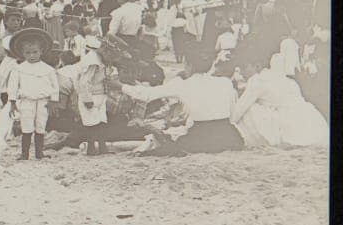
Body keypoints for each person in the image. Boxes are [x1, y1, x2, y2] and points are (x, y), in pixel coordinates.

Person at [109, 46, 243, 155]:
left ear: (189, 65)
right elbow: (231, 113)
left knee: (163, 143)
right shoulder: (225, 82)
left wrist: (119, 86)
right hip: (227, 135)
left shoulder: (183, 84)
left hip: (202, 135)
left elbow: (147, 94)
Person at [230, 52, 327, 148]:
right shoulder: (288, 80)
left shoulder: (257, 81)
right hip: (308, 117)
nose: (242, 73)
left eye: (244, 68)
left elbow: (240, 108)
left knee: (250, 108)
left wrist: (230, 123)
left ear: (257, 66)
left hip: (286, 122)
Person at [6, 27, 59, 161]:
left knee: (41, 125)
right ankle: (25, 154)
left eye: (35, 52)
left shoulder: (48, 69)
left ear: (41, 51)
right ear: (23, 53)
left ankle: (39, 153)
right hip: (26, 101)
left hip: (43, 101)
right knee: (26, 125)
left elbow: (54, 86)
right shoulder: (18, 69)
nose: (31, 56)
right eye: (28, 53)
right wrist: (12, 102)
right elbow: (12, 86)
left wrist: (54, 100)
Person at [72, 36, 109, 156]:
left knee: (101, 121)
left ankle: (103, 147)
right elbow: (84, 81)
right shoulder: (92, 60)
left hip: (100, 93)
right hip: (90, 94)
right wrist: (87, 98)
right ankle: (91, 148)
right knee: (91, 123)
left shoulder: (101, 59)